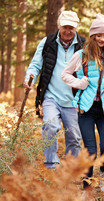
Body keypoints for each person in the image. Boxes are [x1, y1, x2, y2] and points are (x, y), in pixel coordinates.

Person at [61, 13, 104, 193]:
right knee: (90, 151)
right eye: (98, 35)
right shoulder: (81, 55)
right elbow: (64, 75)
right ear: (93, 36)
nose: (102, 39)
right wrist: (79, 83)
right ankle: (87, 189)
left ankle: (103, 172)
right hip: (85, 109)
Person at [24, 11, 83, 169]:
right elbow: (35, 65)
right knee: (50, 127)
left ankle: (70, 170)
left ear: (76, 28)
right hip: (51, 97)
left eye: (71, 27)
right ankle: (51, 165)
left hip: (74, 100)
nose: (68, 31)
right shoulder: (47, 42)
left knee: (75, 137)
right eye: (65, 27)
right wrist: (29, 78)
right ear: (59, 26)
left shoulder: (83, 45)